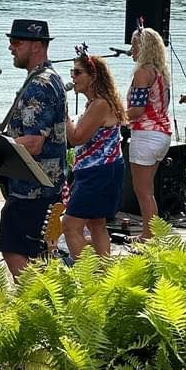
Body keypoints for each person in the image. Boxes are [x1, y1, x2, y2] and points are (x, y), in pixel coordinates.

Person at [0, 19, 67, 278]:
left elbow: (34, 143)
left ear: (37, 46)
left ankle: (34, 308)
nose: (10, 48)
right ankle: (44, 306)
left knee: (13, 250)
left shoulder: (39, 85)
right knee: (39, 256)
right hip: (45, 185)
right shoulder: (49, 78)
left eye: (16, 42)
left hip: (33, 189)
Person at [63, 51, 127, 258]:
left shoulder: (100, 104)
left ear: (93, 76)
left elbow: (76, 138)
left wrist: (62, 112)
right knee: (96, 223)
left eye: (78, 72)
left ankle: (86, 277)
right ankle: (103, 274)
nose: (73, 77)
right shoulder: (96, 103)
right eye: (72, 72)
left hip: (98, 173)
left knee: (70, 225)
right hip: (104, 170)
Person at [126, 27, 172, 240]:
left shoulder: (142, 72)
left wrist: (115, 114)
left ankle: (148, 236)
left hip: (145, 134)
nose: (131, 50)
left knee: (142, 191)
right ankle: (152, 233)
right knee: (148, 191)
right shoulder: (161, 72)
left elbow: (136, 110)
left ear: (143, 48)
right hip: (162, 133)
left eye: (134, 46)